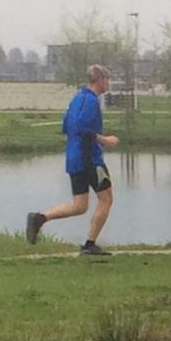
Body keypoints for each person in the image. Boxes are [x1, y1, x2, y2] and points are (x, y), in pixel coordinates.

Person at [26, 64, 121, 255]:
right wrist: (105, 140)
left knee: (79, 206)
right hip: (90, 159)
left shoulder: (77, 98)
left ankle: (40, 218)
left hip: (74, 158)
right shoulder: (91, 101)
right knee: (106, 199)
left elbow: (65, 126)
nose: (108, 83)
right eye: (107, 79)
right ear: (99, 79)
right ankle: (89, 244)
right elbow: (83, 130)